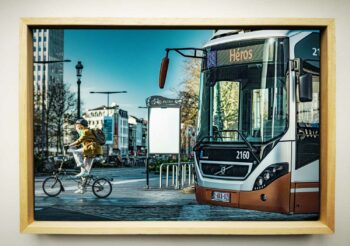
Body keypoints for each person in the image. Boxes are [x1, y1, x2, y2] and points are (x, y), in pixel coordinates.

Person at [68, 118, 103, 194]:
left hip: (91, 150)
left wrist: (70, 145)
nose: (76, 127)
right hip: (89, 150)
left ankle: (81, 166)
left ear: (80, 126)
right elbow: (82, 141)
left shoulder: (85, 131)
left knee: (75, 152)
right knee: (84, 174)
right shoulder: (84, 131)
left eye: (77, 126)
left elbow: (80, 140)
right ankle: (82, 189)